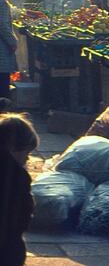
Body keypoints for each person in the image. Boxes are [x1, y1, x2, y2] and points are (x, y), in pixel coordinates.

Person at [0, 113, 38, 266]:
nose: (27, 159)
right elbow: (24, 209)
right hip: (7, 244)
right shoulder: (16, 175)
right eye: (26, 153)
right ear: (13, 147)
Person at [0, 0, 18, 99]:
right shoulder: (2, 4)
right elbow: (3, 26)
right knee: (2, 86)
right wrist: (13, 42)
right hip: (1, 50)